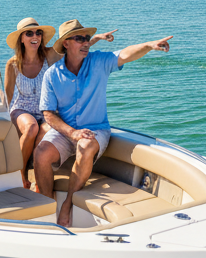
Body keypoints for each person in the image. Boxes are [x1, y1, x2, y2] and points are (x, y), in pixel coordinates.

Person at [33, 19, 173, 226]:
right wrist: (71, 132)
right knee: (41, 154)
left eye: (88, 38)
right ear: (66, 43)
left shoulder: (99, 62)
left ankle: (68, 203)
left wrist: (148, 45)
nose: (86, 42)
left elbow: (125, 54)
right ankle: (47, 205)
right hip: (66, 130)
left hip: (95, 129)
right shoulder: (52, 75)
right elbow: (48, 114)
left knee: (85, 144)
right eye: (80, 38)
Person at [3, 17, 115, 189]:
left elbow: (74, 49)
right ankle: (22, 173)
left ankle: (40, 181)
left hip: (45, 111)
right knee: (32, 127)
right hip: (22, 109)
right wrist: (4, 122)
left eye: (38, 32)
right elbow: (8, 95)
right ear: (21, 39)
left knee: (46, 132)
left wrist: (97, 38)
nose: (35, 36)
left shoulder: (49, 55)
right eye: (29, 33)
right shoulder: (12, 64)